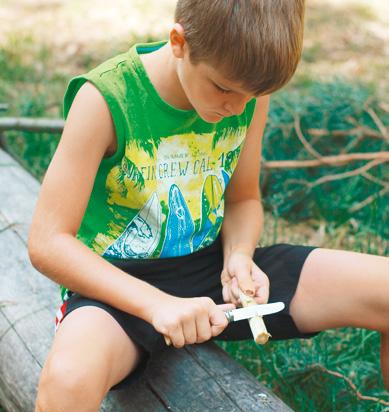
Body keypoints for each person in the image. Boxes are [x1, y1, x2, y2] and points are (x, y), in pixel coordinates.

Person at [28, 0, 388, 410]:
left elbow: (244, 198)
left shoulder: (244, 90)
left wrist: (239, 256)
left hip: (210, 272)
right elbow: (47, 241)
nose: (236, 108)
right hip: (117, 289)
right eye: (223, 89)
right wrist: (156, 305)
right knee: (67, 382)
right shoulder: (106, 100)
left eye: (252, 95)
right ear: (179, 42)